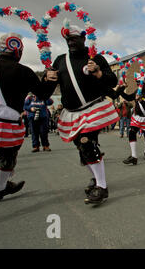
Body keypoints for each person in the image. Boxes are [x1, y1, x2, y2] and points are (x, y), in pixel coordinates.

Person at [47, 22, 119, 205]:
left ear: (84, 38)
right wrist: (46, 78)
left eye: (74, 39)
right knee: (82, 149)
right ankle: (96, 178)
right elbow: (45, 90)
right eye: (68, 39)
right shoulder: (60, 61)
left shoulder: (95, 58)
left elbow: (112, 81)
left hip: (93, 109)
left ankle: (102, 187)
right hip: (72, 113)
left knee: (87, 143)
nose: (70, 42)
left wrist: (98, 72)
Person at [0, 33, 57, 202]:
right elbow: (43, 94)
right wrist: (51, 80)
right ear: (18, 51)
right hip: (7, 123)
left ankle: (1, 188)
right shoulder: (23, 71)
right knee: (8, 155)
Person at [117, 76, 145, 165]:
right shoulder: (137, 91)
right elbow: (129, 97)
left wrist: (140, 99)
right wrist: (121, 90)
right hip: (138, 117)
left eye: (140, 83)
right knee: (131, 132)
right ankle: (134, 157)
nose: (138, 85)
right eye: (137, 83)